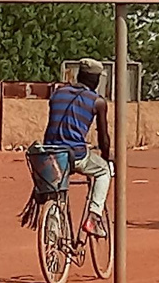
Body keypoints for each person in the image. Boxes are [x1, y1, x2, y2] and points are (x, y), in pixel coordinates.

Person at [44, 58, 112, 236]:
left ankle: (52, 238)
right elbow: (103, 138)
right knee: (103, 171)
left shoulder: (58, 93)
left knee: (56, 191)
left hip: (49, 153)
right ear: (96, 80)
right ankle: (94, 219)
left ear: (78, 75)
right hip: (75, 155)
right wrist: (107, 157)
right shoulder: (97, 102)